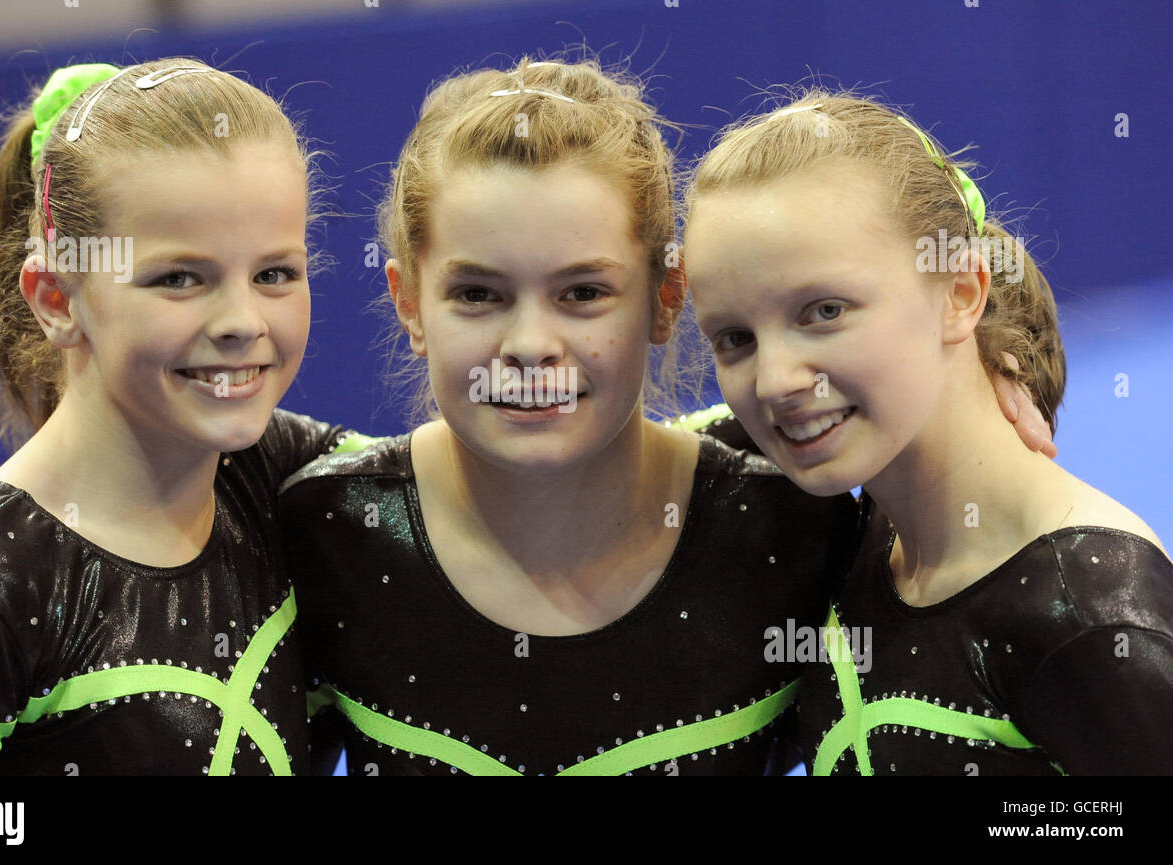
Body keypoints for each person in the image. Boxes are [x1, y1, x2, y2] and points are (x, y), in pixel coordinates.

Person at [283, 58, 892, 777]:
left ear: (667, 296)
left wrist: (1002, 343)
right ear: (409, 300)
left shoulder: (786, 527)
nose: (531, 346)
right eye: (478, 294)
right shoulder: (327, 533)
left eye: (583, 292)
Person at [0, 59, 352, 775]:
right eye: (179, 278)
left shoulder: (289, 482)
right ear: (56, 298)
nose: (242, 321)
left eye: (274, 273)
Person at [683, 90, 1173, 775]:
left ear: (962, 294)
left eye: (824, 310)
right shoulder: (850, 530)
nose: (773, 382)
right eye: (735, 339)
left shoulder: (1088, 614)